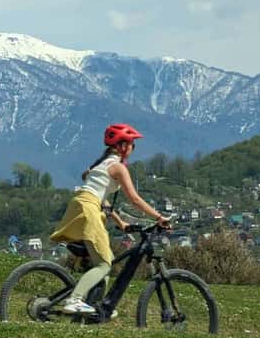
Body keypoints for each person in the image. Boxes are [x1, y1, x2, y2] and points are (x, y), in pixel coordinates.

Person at [50, 123, 170, 315]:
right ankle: (74, 300)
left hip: (79, 207)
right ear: (123, 146)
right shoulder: (118, 168)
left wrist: (120, 222)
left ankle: (98, 308)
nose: (132, 149)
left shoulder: (100, 164)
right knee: (104, 264)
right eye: (132, 145)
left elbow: (100, 198)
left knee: (106, 261)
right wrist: (159, 217)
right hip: (89, 209)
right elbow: (135, 199)